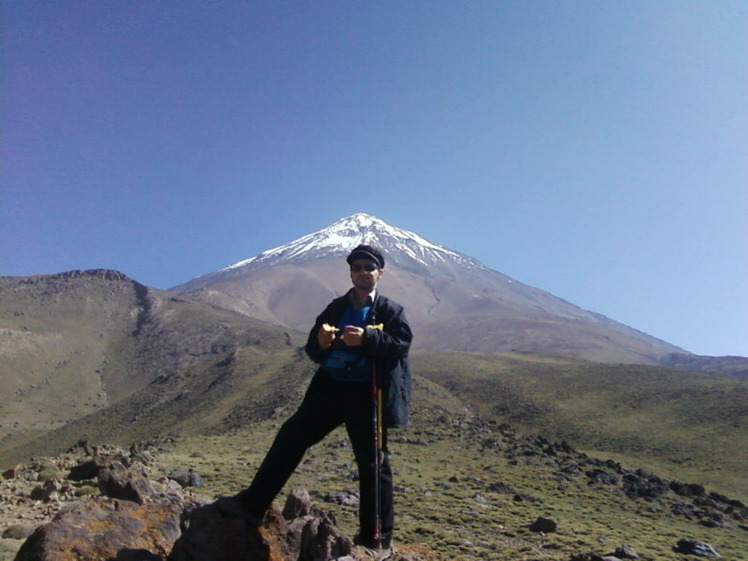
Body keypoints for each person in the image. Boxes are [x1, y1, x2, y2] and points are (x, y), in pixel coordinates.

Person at [216, 244, 413, 561]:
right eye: (357, 267)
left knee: (374, 464)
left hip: (367, 394)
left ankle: (377, 539)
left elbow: (401, 343)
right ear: (350, 273)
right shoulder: (335, 307)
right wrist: (321, 342)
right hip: (331, 390)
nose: (363, 272)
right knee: (291, 437)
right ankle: (252, 505)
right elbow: (313, 348)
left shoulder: (390, 311)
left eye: (368, 267)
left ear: (380, 272)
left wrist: (366, 339)